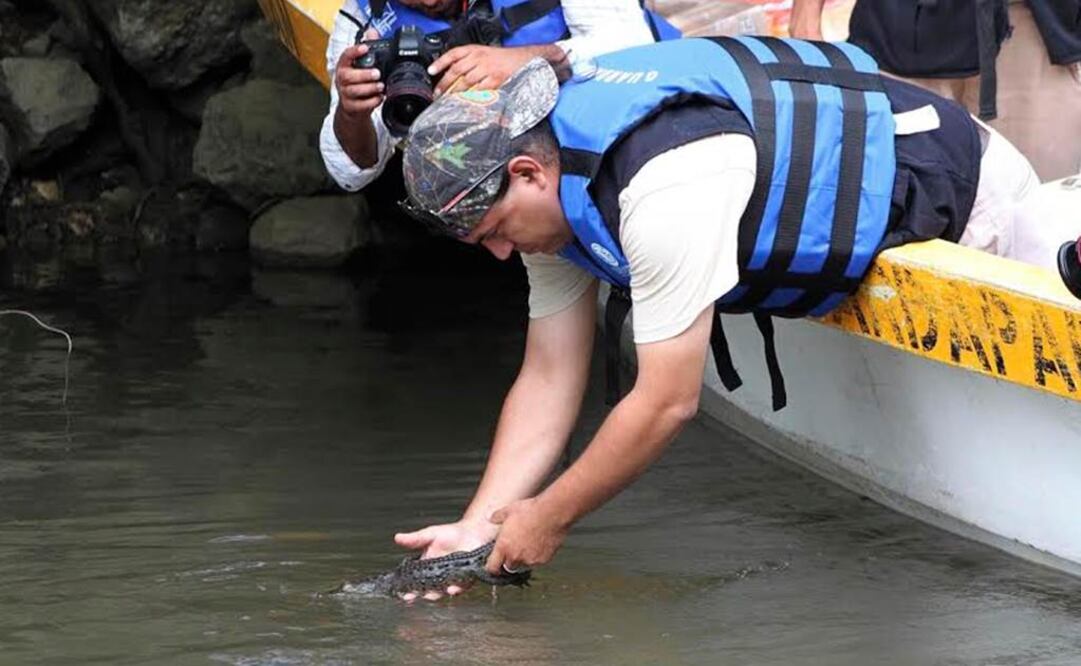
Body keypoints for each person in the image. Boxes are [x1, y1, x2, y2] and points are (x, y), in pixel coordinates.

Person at [391, 37, 1081, 601]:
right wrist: (478, 525)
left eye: (495, 230)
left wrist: (548, 518)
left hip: (956, 192)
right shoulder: (549, 202)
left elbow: (664, 400)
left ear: (527, 171)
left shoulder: (662, 179)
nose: (501, 253)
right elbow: (548, 372)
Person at [321, 0, 679, 194]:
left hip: (639, 135)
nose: (428, 2)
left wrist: (529, 60)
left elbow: (634, 45)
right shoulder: (361, 20)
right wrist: (350, 113)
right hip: (522, 186)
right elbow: (351, 173)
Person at [790, 0, 1081, 181]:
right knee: (896, 200)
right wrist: (806, 13)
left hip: (1034, 30)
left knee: (1038, 213)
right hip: (904, 31)